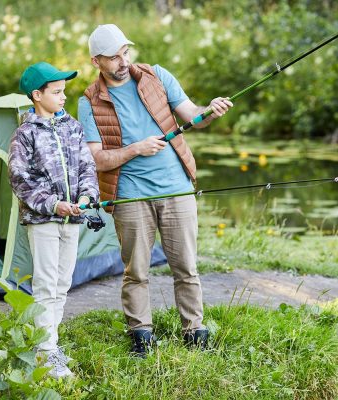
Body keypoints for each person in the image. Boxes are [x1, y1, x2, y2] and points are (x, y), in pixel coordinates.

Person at [78, 24, 233, 357]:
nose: (123, 61)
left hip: (177, 188)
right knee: (136, 270)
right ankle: (141, 335)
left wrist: (210, 110)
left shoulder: (157, 76)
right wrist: (135, 149)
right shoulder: (89, 101)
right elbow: (95, 159)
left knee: (187, 266)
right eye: (113, 57)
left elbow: (193, 115)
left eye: (125, 52)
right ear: (96, 61)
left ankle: (195, 332)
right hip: (130, 194)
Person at [9, 62, 99, 377]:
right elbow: (21, 180)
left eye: (64, 91)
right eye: (57, 92)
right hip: (44, 221)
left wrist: (87, 197)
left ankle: (50, 343)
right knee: (46, 284)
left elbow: (88, 166)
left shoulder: (72, 126)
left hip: (73, 221)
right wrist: (54, 205)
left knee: (62, 284)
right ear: (37, 95)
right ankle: (46, 355)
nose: (63, 97)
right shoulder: (25, 133)